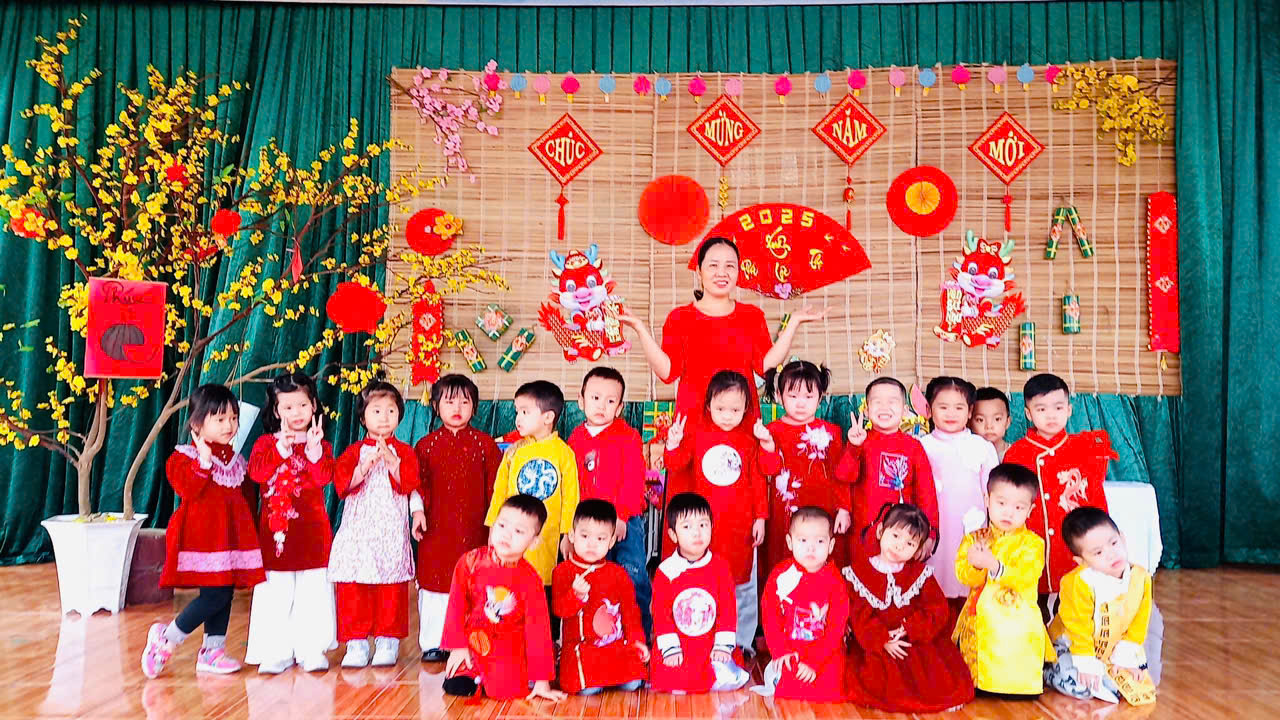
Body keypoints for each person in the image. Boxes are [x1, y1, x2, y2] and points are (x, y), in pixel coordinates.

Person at [141, 384, 265, 678]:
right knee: (214, 596)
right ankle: (166, 639)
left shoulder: (236, 461)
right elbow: (189, 489)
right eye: (219, 419)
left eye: (233, 418)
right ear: (197, 424)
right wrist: (205, 460)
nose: (229, 425)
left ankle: (213, 651)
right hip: (203, 539)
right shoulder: (184, 458)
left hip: (229, 541)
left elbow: (246, 501)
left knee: (224, 593)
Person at [664, 370, 780, 652]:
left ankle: (741, 642)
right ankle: (705, 637)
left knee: (742, 582)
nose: (727, 416)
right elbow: (675, 464)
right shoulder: (698, 436)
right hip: (705, 527)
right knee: (705, 577)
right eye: (720, 409)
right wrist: (673, 443)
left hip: (741, 525)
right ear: (708, 406)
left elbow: (760, 479)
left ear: (747, 409)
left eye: (735, 410)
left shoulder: (749, 441)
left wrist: (761, 518)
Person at [245, 372, 337, 674]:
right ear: (276, 411)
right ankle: (276, 651)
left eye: (302, 405)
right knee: (276, 592)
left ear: (314, 407)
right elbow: (257, 473)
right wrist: (280, 450)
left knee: (312, 593)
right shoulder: (265, 443)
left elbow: (325, 477)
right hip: (276, 534)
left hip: (312, 533)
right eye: (287, 407)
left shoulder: (320, 444)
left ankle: (311, 649)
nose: (296, 413)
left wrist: (313, 451)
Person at [843, 503, 973, 713]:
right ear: (880, 531)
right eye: (895, 536)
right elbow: (858, 614)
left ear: (918, 549)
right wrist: (882, 640)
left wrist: (910, 628)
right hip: (877, 641)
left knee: (933, 676)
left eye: (910, 543)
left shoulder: (920, 574)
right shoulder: (859, 573)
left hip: (912, 639)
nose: (899, 546)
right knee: (874, 676)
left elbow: (937, 609)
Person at [410, 374, 501, 663]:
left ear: (475, 407)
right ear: (436, 406)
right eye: (449, 402)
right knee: (435, 584)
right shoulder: (425, 446)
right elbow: (416, 485)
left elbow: (496, 489)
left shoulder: (485, 445)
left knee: (475, 582)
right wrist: (417, 513)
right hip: (435, 529)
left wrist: (495, 526)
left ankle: (475, 639)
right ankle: (433, 642)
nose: (457, 408)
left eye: (465, 401)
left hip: (475, 528)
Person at [328, 381, 419, 668]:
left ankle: (387, 641)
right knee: (354, 583)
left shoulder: (405, 451)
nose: (384, 417)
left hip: (391, 531)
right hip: (358, 531)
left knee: (390, 585)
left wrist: (392, 462)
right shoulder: (354, 451)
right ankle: (355, 643)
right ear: (363, 416)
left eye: (391, 410)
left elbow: (410, 484)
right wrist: (364, 467)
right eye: (376, 410)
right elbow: (342, 485)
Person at [440, 494, 564, 701]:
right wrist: (458, 647)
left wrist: (542, 680)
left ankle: (518, 677)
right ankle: (472, 672)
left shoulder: (531, 580)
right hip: (473, 646)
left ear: (534, 542)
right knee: (456, 684)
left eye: (518, 531)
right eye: (502, 525)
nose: (507, 535)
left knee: (507, 692)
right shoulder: (470, 562)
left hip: (507, 651)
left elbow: (538, 631)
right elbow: (456, 606)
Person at [1004, 373, 1118, 596]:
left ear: (1069, 410)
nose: (1051, 415)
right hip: (1032, 543)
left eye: (1058, 407)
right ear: (1028, 413)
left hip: (1072, 540)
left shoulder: (1084, 449)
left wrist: (1102, 533)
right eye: (1041, 409)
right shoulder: (1016, 453)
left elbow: (1095, 495)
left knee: (1073, 595)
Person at [952, 463, 1055, 695]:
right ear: (987, 500)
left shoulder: (1033, 543)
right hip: (980, 618)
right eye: (1001, 503)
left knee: (1017, 648)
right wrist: (975, 564)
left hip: (1018, 619)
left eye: (1018, 507)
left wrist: (995, 566)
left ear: (1030, 510)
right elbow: (965, 576)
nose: (1009, 513)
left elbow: (1027, 576)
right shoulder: (975, 538)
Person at [566, 367, 651, 638]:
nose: (602, 405)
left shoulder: (628, 437)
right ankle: (597, 637)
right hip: (588, 526)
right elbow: (571, 486)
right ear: (581, 401)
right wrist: (569, 528)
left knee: (631, 576)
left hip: (623, 522)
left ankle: (639, 637)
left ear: (620, 407)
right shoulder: (575, 439)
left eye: (610, 400)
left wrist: (622, 516)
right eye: (595, 398)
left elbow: (634, 480)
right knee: (591, 578)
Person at [1044, 507, 1157, 706]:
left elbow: (1140, 621)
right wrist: (1086, 663)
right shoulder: (1079, 583)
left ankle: (1106, 674)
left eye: (1114, 543)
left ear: (1122, 538)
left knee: (1129, 682)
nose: (1111, 554)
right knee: (1081, 687)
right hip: (1073, 646)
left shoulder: (1141, 577)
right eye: (1098, 552)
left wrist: (1126, 656)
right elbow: (1077, 627)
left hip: (1112, 646)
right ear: (1081, 561)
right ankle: (1047, 671)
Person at [649, 492, 751, 694]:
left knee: (724, 671)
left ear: (712, 527)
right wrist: (671, 649)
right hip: (680, 645)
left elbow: (728, 609)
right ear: (673, 535)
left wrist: (722, 646)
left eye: (703, 525)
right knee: (668, 674)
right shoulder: (666, 571)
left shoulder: (720, 567)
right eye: (687, 527)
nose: (697, 533)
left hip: (710, 644)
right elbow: (661, 614)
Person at [484, 380, 580, 593]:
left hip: (547, 537)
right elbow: (499, 492)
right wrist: (492, 527)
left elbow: (571, 498)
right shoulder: (514, 451)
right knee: (509, 585)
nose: (518, 418)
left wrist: (568, 535)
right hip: (512, 533)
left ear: (548, 417)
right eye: (517, 411)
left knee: (541, 587)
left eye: (525, 412)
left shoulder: (564, 453)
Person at [760, 361, 850, 577]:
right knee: (783, 563)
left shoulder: (832, 432)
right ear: (779, 396)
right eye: (793, 396)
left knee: (823, 564)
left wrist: (844, 508)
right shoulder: (770, 431)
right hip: (784, 511)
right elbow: (767, 470)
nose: (800, 403)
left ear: (820, 398)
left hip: (823, 507)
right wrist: (768, 447)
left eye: (808, 397)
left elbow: (841, 474)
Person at [919, 376, 999, 620]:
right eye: (943, 407)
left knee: (971, 585)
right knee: (934, 584)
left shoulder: (982, 447)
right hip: (933, 529)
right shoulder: (921, 446)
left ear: (970, 411)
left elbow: (994, 493)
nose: (951, 413)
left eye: (959, 407)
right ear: (929, 409)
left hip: (972, 529)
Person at [551, 499, 648, 695]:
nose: (592, 544)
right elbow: (559, 610)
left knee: (633, 683)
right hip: (582, 648)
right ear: (572, 535)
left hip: (615, 647)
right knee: (589, 689)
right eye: (585, 536)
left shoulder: (618, 573)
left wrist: (637, 640)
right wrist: (576, 596)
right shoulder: (563, 571)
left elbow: (630, 612)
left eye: (601, 539)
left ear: (611, 542)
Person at [836, 377, 939, 554]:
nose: (884, 407)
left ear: (905, 410)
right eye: (877, 402)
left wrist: (930, 532)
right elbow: (844, 477)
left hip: (903, 534)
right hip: (863, 529)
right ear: (866, 410)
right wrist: (853, 447)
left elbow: (926, 492)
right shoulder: (859, 441)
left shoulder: (913, 447)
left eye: (892, 402)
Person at [756, 507, 849, 702]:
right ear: (790, 542)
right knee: (789, 688)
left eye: (820, 541)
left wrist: (816, 662)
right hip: (792, 649)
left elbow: (836, 628)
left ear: (831, 545)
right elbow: (770, 616)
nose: (811, 548)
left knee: (831, 690)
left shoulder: (835, 581)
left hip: (824, 652)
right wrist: (780, 650)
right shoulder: (781, 575)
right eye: (803, 540)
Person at [970, 387, 1012, 460]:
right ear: (969, 423)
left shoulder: (1018, 454)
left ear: (1007, 422)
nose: (989, 426)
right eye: (980, 420)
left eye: (997, 419)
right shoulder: (967, 454)